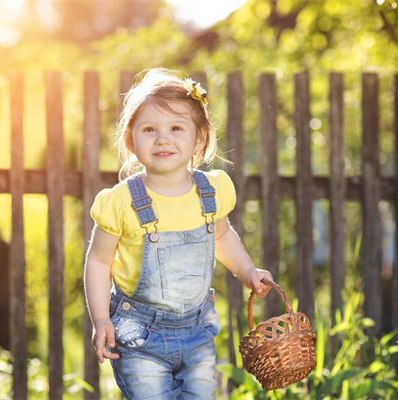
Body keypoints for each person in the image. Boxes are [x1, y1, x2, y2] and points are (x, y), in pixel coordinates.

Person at [83, 67, 273, 399]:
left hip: (197, 334)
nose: (163, 139)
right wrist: (101, 318)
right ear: (131, 139)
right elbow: (99, 261)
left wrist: (247, 271)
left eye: (175, 128)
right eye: (149, 129)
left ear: (198, 138)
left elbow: (223, 236)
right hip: (138, 338)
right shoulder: (121, 201)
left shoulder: (211, 191)